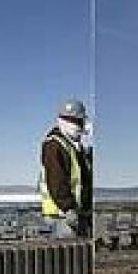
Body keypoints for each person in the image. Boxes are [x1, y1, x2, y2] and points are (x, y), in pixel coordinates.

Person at [39, 99, 93, 238]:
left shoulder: (72, 146)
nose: (81, 127)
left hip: (73, 213)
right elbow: (56, 180)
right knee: (69, 256)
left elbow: (83, 178)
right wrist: (68, 208)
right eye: (79, 122)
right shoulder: (54, 145)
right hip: (61, 216)